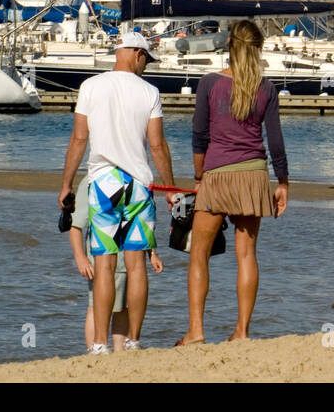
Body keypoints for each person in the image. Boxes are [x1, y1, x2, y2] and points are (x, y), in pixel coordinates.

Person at [58, 31, 175, 354]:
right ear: (136, 53)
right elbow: (157, 145)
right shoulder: (149, 92)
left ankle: (99, 344)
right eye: (146, 60)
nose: (146, 66)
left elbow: (79, 139)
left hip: (103, 183)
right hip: (138, 185)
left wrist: (67, 183)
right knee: (136, 265)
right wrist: (168, 188)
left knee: (105, 264)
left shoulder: (90, 87)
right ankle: (134, 340)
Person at [176, 20, 288, 346]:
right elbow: (276, 141)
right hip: (253, 175)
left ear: (229, 47)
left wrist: (199, 176)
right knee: (246, 255)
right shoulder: (266, 88)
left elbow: (199, 135)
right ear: (258, 49)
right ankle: (242, 331)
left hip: (217, 175)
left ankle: (196, 331)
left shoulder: (209, 84)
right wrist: (282, 182)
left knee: (198, 254)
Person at [66, 184, 164, 352]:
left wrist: (152, 253)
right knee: (95, 306)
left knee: (123, 307)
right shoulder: (93, 180)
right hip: (101, 256)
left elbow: (142, 224)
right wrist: (80, 257)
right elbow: (75, 225)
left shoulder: (136, 176)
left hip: (129, 259)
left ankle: (120, 351)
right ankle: (95, 348)